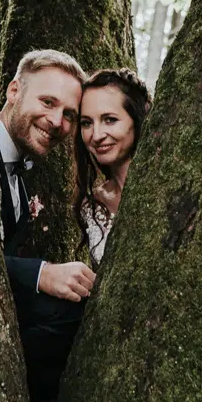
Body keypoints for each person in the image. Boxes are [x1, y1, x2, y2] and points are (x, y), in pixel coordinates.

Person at [0, 49, 95, 402]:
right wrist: (41, 275)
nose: (57, 122)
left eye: (69, 114)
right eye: (48, 102)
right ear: (14, 90)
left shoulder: (19, 177)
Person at [73, 68, 152, 269]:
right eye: (86, 123)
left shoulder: (163, 187)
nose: (96, 135)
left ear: (137, 119)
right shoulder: (91, 206)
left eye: (110, 119)